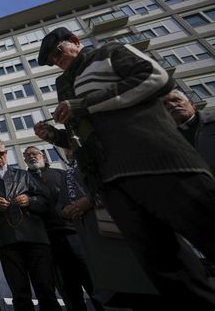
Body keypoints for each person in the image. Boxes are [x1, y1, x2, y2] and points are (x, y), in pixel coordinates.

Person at [33, 26, 215, 309]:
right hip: (112, 183)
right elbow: (83, 136)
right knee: (170, 272)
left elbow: (156, 77)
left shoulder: (109, 52)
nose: (56, 61)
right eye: (51, 61)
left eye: (57, 52)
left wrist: (83, 103)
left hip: (157, 163)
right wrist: (54, 136)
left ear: (75, 41)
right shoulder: (66, 86)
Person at [56, 149, 162, 308]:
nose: (69, 152)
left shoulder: (98, 160)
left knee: (137, 280)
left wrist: (89, 201)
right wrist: (64, 210)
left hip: (113, 226)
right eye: (66, 150)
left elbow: (111, 184)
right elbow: (60, 201)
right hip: (89, 233)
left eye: (70, 147)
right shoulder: (67, 174)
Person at [23, 146, 103, 311]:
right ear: (24, 160)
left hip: (74, 233)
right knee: (68, 291)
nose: (31, 157)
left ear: (43, 156)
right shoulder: (23, 180)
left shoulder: (62, 174)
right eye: (27, 155)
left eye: (35, 153)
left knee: (94, 284)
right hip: (48, 240)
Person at [0, 139, 60, 311]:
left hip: (35, 238)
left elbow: (45, 202)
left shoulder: (24, 175)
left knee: (46, 289)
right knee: (19, 293)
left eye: (1, 153)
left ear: (6, 153)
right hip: (7, 241)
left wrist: (30, 200)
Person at [163, 89, 215, 174]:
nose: (172, 105)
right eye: (165, 104)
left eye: (176, 100)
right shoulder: (165, 141)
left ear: (192, 104)